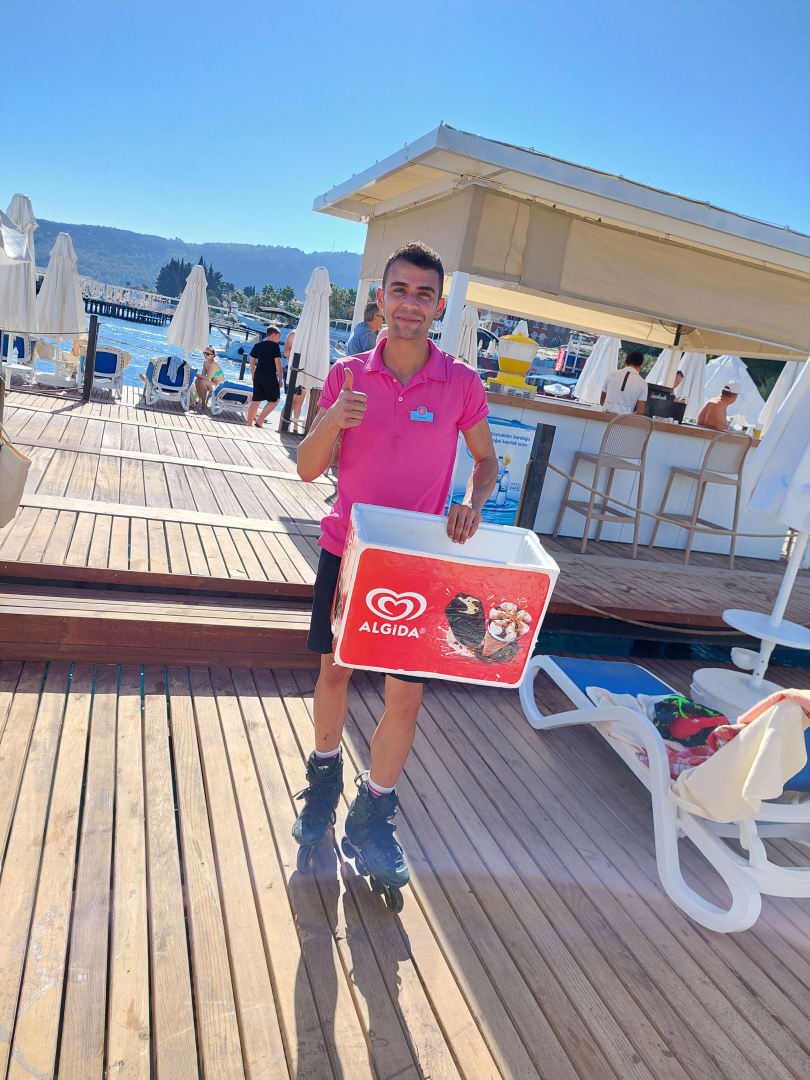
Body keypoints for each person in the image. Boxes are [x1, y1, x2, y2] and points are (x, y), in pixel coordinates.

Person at [292, 241, 498, 903]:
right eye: (399, 291)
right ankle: (324, 780)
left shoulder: (461, 383)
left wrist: (471, 503)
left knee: (405, 698)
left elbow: (486, 461)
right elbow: (307, 470)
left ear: (439, 306)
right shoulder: (348, 375)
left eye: (423, 294)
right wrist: (332, 418)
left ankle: (374, 814)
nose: (410, 304)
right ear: (381, 299)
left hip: (417, 564)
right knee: (334, 672)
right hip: (347, 552)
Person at [247, 324, 284, 427]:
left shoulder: (258, 345)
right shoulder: (275, 346)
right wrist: (280, 379)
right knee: (275, 400)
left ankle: (248, 425)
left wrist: (253, 374)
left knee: (256, 400)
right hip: (269, 376)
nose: (278, 340)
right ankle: (259, 420)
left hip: (258, 375)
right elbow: (278, 363)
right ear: (273, 335)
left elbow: (252, 361)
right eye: (278, 337)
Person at [600, 350, 648, 415]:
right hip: (625, 419)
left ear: (625, 362)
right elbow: (640, 412)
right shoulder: (643, 383)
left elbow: (602, 400)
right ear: (640, 366)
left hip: (605, 416)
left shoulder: (611, 375)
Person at [284, 328, 307, 424]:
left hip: (305, 370)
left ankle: (295, 427)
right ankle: (284, 424)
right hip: (292, 369)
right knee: (291, 401)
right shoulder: (293, 334)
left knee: (299, 402)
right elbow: (286, 353)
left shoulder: (311, 336)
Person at [194, 347, 224, 411]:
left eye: (207, 354)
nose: (205, 355)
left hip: (219, 387)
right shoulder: (205, 363)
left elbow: (208, 377)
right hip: (212, 384)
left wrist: (197, 375)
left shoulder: (214, 364)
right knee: (197, 380)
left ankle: (203, 404)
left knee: (202, 381)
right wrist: (198, 376)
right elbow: (203, 375)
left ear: (213, 355)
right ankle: (198, 399)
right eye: (204, 353)